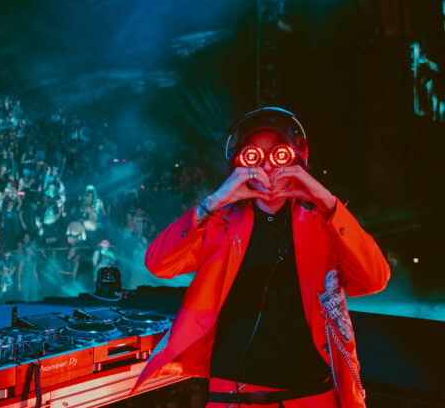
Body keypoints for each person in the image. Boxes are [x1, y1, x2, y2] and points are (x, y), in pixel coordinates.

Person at [131, 107, 391, 408]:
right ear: (239, 163)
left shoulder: (325, 225)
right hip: (232, 396)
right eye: (253, 155)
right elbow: (158, 264)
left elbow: (375, 278)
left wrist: (326, 200)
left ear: (295, 160)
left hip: (310, 397)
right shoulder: (218, 224)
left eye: (278, 155)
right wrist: (213, 202)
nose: (267, 165)